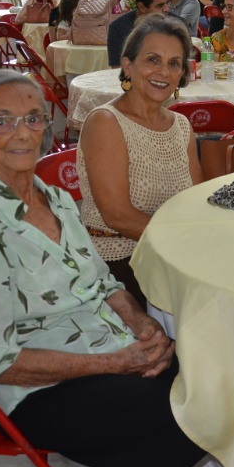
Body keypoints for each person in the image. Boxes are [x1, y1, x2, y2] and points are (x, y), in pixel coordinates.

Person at [0, 69, 209, 467]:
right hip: (45, 389)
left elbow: (104, 283)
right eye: (0, 121)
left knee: (220, 371)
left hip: (112, 350)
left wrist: (143, 325)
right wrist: (115, 364)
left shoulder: (56, 199)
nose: (23, 133)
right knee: (193, 417)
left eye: (33, 118)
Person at [79, 15, 202, 306]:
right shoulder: (107, 123)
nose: (164, 71)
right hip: (118, 259)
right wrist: (183, 242)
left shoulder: (182, 126)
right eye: (152, 60)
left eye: (174, 63)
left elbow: (195, 200)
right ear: (127, 66)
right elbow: (117, 216)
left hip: (170, 252)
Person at [107, 0, 169, 67]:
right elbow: (118, 69)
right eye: (160, 6)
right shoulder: (118, 28)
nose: (167, 9)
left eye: (168, 3)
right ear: (142, 7)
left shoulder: (176, 24)